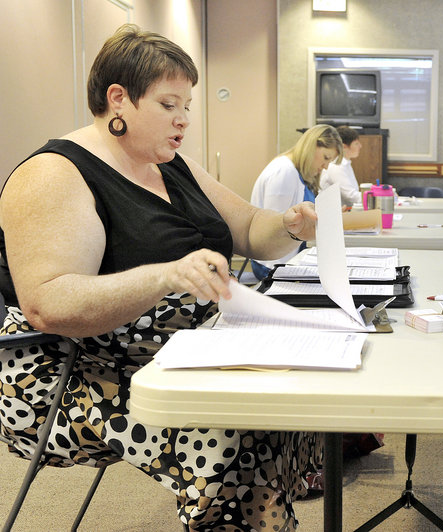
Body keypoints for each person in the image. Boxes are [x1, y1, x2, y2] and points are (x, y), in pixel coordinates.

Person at [0, 24, 322, 531]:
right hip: (78, 374)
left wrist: (289, 227)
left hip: (180, 351)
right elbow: (49, 304)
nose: (184, 120)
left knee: (289, 393)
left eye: (187, 106)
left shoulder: (173, 166)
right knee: (239, 428)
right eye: (170, 105)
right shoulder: (54, 174)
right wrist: (166, 275)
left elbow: (251, 232)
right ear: (119, 100)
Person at [250, 124, 342, 279]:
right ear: (311, 146)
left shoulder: (297, 172)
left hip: (289, 257)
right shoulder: (284, 172)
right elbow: (274, 230)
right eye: (326, 158)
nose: (326, 167)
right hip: (272, 266)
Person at [320, 125, 362, 207]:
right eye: (356, 143)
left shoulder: (346, 163)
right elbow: (351, 196)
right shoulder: (336, 165)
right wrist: (376, 197)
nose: (360, 146)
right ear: (344, 147)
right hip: (332, 214)